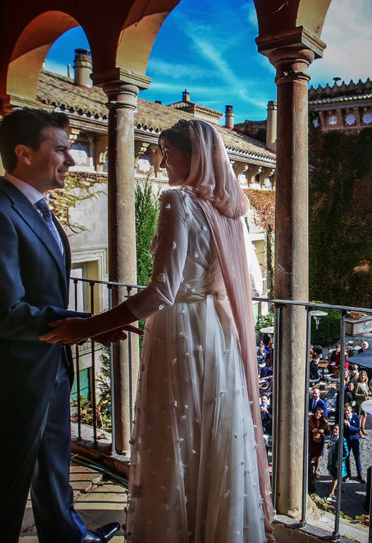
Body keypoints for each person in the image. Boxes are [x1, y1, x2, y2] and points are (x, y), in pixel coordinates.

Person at [42, 119, 275, 542]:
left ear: (195, 155)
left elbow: (162, 291)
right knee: (213, 441)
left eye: (168, 150)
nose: (161, 159)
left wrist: (88, 326)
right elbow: (252, 285)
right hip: (218, 335)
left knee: (176, 441)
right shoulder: (230, 212)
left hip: (182, 333)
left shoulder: (177, 201)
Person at [0, 109, 125, 543]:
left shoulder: (36, 210)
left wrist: (85, 326)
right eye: (62, 149)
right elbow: (0, 314)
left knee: (52, 469)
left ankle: (68, 537)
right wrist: (85, 324)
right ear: (24, 153)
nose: (72, 159)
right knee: (3, 495)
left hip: (46, 365)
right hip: (6, 377)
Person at [308, 407, 330, 493]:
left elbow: (328, 432)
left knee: (319, 456)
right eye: (317, 413)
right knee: (311, 454)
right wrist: (312, 430)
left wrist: (322, 431)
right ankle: (310, 468)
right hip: (311, 440)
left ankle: (316, 470)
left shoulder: (324, 422)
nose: (318, 415)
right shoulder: (311, 420)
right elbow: (307, 429)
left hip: (320, 440)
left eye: (319, 414)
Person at [325, 423, 349, 502]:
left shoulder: (342, 439)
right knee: (336, 476)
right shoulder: (333, 437)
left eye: (336, 429)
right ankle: (341, 486)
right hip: (333, 458)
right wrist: (329, 446)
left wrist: (340, 460)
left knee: (335, 477)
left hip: (338, 461)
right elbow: (331, 447)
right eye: (334, 429)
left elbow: (346, 452)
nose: (335, 430)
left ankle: (331, 493)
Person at [342, 403, 365, 482]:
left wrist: (349, 426)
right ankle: (348, 474)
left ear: (351, 410)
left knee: (357, 457)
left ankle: (359, 474)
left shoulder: (356, 417)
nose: (346, 412)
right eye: (345, 411)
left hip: (354, 439)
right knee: (346, 457)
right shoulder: (343, 418)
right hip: (346, 440)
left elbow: (358, 429)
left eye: (348, 410)